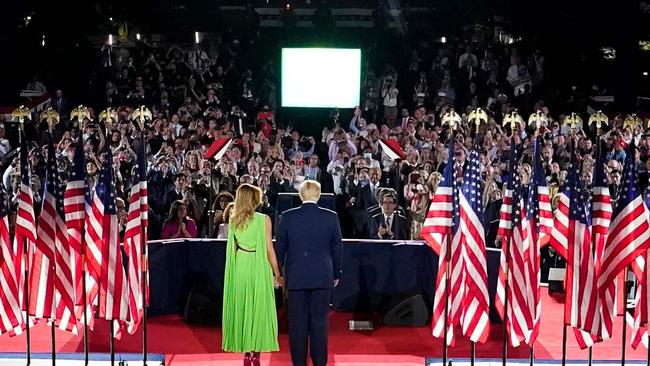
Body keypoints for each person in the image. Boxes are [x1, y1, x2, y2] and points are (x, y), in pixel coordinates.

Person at [276, 181, 343, 366]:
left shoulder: (288, 217)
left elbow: (280, 247)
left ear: (300, 195)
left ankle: (299, 362)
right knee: (320, 324)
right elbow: (337, 247)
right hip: (322, 278)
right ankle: (319, 362)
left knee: (297, 324)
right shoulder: (331, 217)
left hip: (296, 278)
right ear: (318, 195)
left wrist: (278, 273)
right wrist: (336, 273)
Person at [222, 183, 281, 366]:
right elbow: (269, 250)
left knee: (243, 305)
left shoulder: (233, 220)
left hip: (240, 265)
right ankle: (254, 353)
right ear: (252, 199)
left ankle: (246, 353)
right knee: (258, 307)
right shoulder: (263, 219)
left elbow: (231, 249)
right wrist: (277, 274)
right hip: (258, 265)